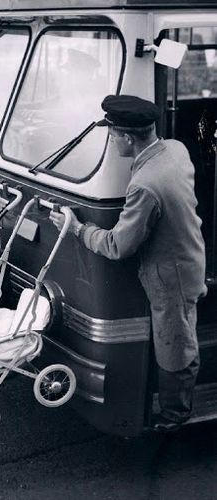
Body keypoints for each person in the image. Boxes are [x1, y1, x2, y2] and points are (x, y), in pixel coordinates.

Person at [50, 94, 207, 433]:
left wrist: (79, 229)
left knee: (175, 347)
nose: (110, 139)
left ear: (127, 137)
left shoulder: (146, 185)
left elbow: (118, 245)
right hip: (187, 259)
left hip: (172, 277)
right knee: (175, 338)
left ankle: (174, 416)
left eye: (111, 134)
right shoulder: (175, 150)